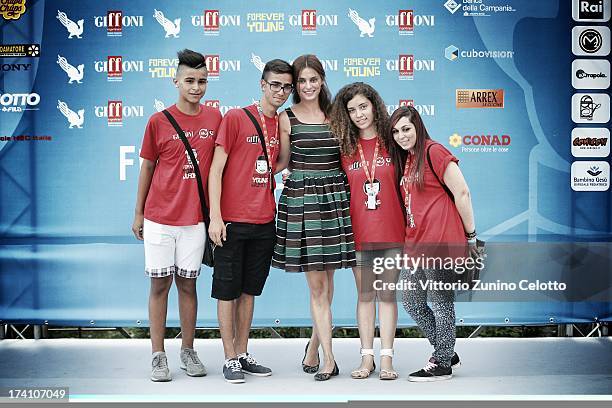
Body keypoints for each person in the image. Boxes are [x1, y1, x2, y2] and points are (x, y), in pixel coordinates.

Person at [131, 49, 222, 382]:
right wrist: (139, 212)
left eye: (201, 81)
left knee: (188, 286)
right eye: (189, 81)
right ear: (176, 81)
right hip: (158, 219)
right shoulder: (158, 121)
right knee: (159, 286)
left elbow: (221, 167)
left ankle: (187, 350)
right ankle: (158, 355)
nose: (196, 87)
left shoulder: (216, 119)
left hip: (195, 221)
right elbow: (147, 167)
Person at [208, 59, 293, 384]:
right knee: (227, 291)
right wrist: (216, 217)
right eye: (275, 85)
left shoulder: (279, 122)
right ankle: (229, 357)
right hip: (231, 220)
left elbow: (279, 164)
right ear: (262, 84)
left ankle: (242, 352)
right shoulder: (235, 118)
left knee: (248, 291)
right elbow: (216, 170)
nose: (281, 92)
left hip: (264, 221)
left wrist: (284, 130)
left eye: (286, 87)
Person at [273, 54, 356, 381]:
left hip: (335, 202)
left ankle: (312, 347)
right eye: (302, 81)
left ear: (322, 80)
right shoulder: (286, 117)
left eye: (313, 79)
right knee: (318, 287)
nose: (308, 86)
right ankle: (329, 359)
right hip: (302, 203)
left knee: (328, 283)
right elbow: (280, 161)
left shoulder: (339, 115)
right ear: (295, 84)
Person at [389, 105, 479, 381]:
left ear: (418, 126)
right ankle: (446, 349)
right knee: (412, 301)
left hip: (440, 240)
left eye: (406, 129)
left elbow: (462, 192)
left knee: (441, 303)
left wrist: (471, 236)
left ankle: (442, 362)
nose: (401, 135)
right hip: (416, 243)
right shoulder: (408, 158)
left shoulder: (433, 150)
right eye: (396, 131)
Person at [330, 82, 406, 380]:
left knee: (387, 295)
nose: (359, 114)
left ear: (374, 105)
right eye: (352, 110)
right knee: (365, 296)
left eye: (363, 106)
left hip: (392, 232)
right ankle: (366, 360)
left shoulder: (393, 141)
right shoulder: (345, 147)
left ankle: (386, 360)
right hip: (358, 234)